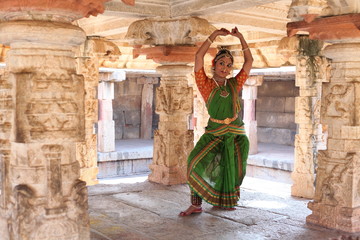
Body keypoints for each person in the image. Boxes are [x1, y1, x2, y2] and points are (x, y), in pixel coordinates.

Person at [179, 27, 253, 216]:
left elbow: (249, 61)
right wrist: (213, 36)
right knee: (194, 163)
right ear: (214, 64)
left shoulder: (235, 83)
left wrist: (241, 38)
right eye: (222, 63)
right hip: (214, 131)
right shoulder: (206, 84)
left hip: (235, 133)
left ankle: (224, 201)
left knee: (230, 167)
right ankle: (196, 204)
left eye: (229, 65)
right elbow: (198, 57)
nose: (225, 68)